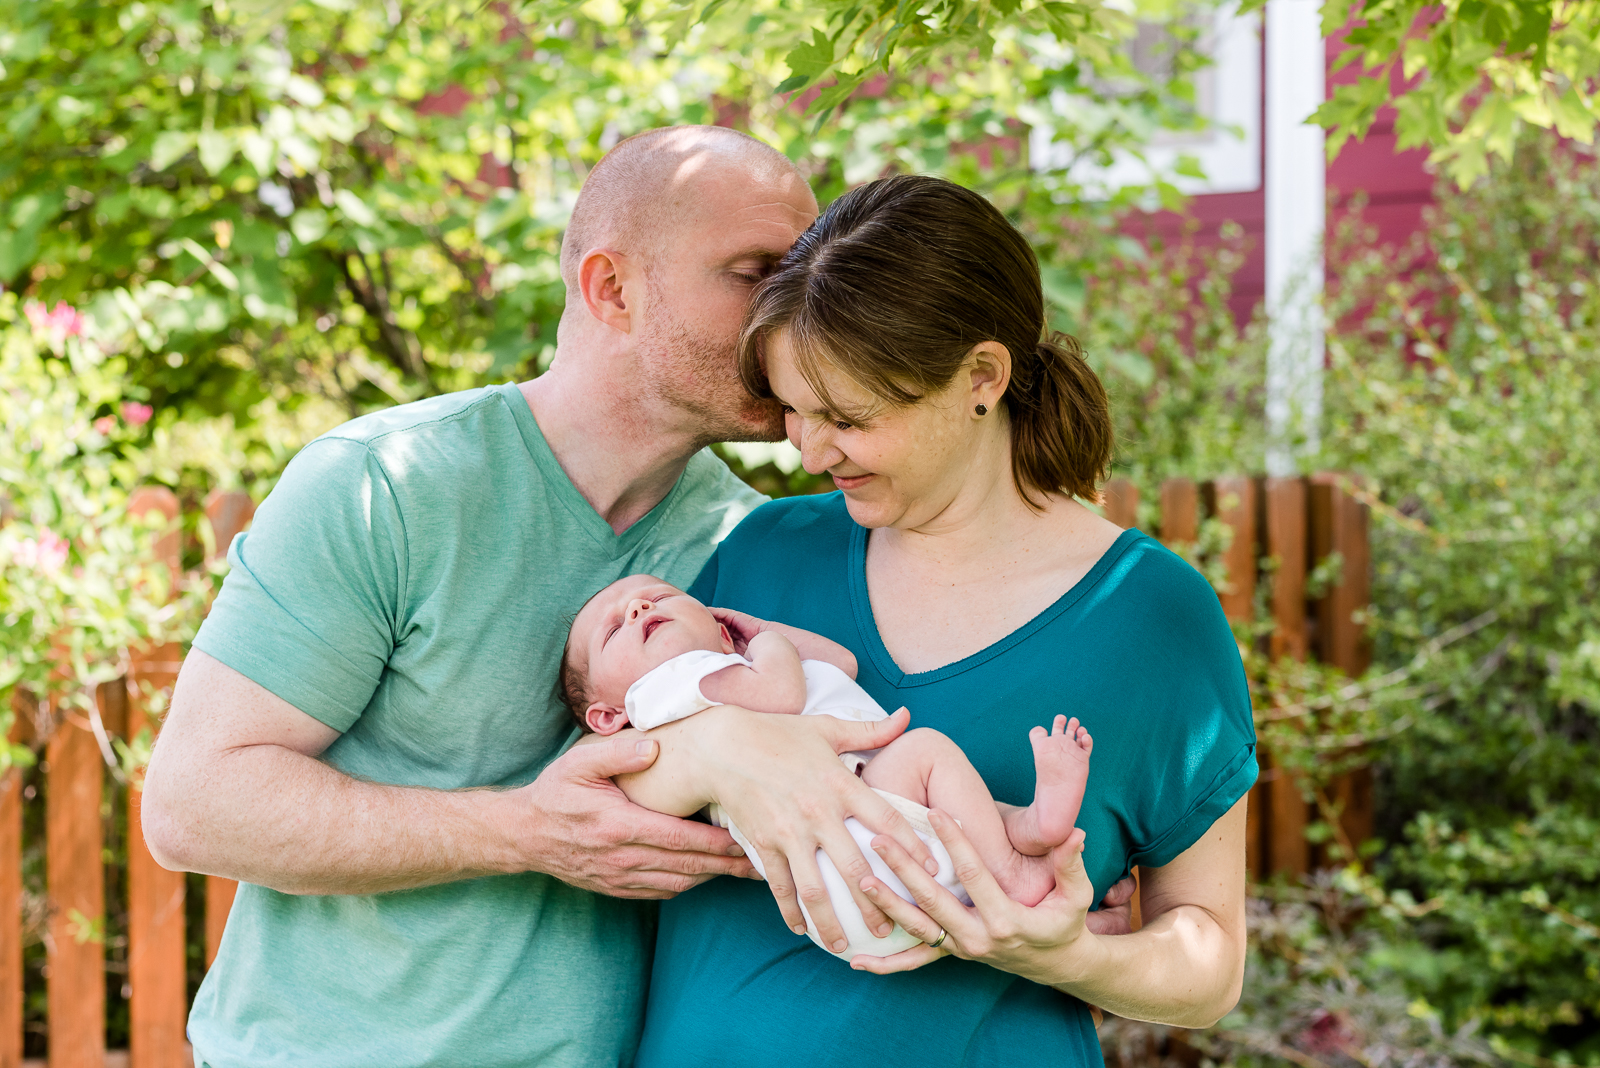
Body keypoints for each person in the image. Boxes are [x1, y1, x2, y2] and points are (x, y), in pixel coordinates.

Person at [137, 127, 963, 1068]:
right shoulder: (391, 484)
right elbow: (194, 803)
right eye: (757, 272)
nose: (799, 310)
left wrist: (1010, 865)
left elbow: (850, 762)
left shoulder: (749, 544)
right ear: (613, 288)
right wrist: (526, 832)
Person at [633, 174, 1258, 1067]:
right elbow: (614, 785)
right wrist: (715, 754)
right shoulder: (765, 554)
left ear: (982, 377)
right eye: (796, 414)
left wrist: (1071, 954)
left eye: (848, 417)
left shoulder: (1152, 617)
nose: (810, 452)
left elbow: (1209, 962)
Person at [560, 573, 1095, 959]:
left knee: (948, 798)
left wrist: (758, 635)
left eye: (659, 596)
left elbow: (840, 665)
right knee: (926, 752)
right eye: (614, 630)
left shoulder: (725, 673)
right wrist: (767, 640)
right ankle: (1012, 868)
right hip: (851, 849)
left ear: (719, 628)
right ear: (608, 716)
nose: (637, 609)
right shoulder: (667, 691)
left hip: (860, 879)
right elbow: (783, 692)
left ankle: (1023, 829)